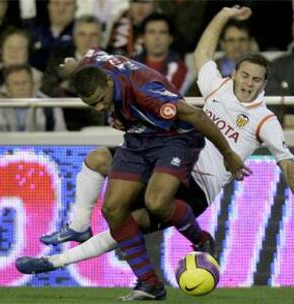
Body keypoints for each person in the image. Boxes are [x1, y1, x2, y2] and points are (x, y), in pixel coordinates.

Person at [16, 6, 294, 301]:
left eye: (256, 80)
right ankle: (84, 231)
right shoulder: (217, 87)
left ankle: (57, 263)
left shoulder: (265, 120)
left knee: (133, 219)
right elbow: (203, 53)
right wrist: (224, 14)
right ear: (235, 73)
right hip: (162, 158)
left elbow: (285, 157)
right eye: (245, 76)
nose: (248, 84)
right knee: (102, 169)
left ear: (264, 83)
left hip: (197, 186)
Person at [41, 47, 248, 300]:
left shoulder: (145, 93)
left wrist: (228, 154)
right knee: (113, 210)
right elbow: (91, 57)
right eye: (91, 103)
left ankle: (202, 240)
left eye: (100, 99)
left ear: (109, 81)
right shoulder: (95, 70)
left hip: (175, 138)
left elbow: (196, 115)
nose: (98, 108)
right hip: (138, 139)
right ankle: (150, 283)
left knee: (157, 202)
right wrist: (74, 67)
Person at [41, 15, 105, 130]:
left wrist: (68, 86)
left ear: (101, 38)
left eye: (93, 35)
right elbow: (47, 88)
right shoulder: (59, 58)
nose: (87, 40)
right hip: (68, 123)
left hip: (103, 126)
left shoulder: (111, 61)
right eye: (82, 34)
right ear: (74, 37)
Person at [0, 64, 66, 132]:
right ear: (8, 88)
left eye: (25, 82)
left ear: (32, 84)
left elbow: (62, 139)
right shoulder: (0, 108)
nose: (21, 87)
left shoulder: (51, 107)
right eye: (16, 84)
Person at [0, 29, 42, 99]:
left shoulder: (41, 81)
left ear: (28, 52)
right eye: (10, 48)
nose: (14, 52)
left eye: (20, 48)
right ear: (1, 51)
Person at [132, 13, 191, 94]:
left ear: (170, 38)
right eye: (151, 32)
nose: (157, 37)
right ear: (142, 38)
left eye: (162, 32)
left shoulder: (179, 68)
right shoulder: (130, 65)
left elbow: (168, 97)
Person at [28, 0, 76, 71]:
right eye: (56, 3)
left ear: (75, 7)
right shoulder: (35, 31)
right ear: (49, 6)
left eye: (67, 4)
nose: (61, 9)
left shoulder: (82, 33)